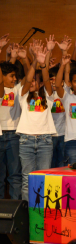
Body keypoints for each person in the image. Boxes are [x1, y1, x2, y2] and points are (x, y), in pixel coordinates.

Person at [17, 43, 55, 201]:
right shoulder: (23, 95)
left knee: (43, 179)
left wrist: (43, 63)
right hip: (26, 140)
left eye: (35, 81)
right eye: (30, 80)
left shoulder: (48, 96)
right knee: (27, 180)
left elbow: (46, 79)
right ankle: (27, 216)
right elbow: (26, 81)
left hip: (45, 140)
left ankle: (42, 215)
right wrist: (33, 62)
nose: (31, 82)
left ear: (40, 84)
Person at [0, 61, 22, 200]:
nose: (14, 79)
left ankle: (16, 210)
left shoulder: (17, 89)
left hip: (14, 135)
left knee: (15, 175)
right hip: (0, 134)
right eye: (11, 76)